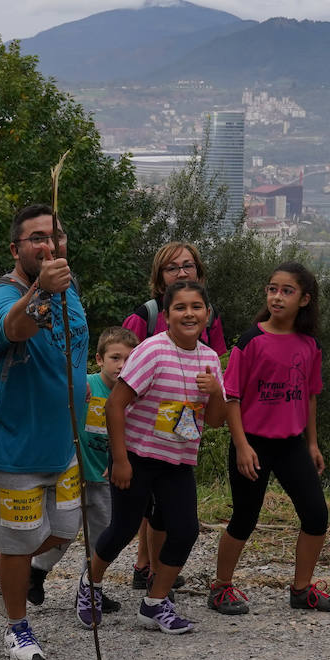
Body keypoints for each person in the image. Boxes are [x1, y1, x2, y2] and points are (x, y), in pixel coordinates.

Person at [0, 203, 89, 660]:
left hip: (61, 445)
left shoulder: (70, 289)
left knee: (64, 530)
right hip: (9, 447)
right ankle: (16, 627)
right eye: (36, 237)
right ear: (17, 249)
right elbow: (13, 329)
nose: (47, 243)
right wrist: (41, 291)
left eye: (54, 235)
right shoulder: (3, 295)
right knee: (18, 542)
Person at [75, 280, 227, 635]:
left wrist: (216, 391)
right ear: (167, 315)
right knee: (123, 529)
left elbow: (217, 420)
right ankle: (91, 584)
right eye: (180, 307)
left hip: (177, 461)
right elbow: (115, 405)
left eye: (196, 307)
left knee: (186, 530)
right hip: (136, 457)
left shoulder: (208, 360)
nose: (189, 313)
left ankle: (155, 603)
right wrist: (121, 459)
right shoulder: (152, 351)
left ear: (207, 314)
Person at [209, 263, 330, 615]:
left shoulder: (309, 345)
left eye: (287, 291)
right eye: (272, 289)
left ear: (304, 299)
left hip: (292, 445)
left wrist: (312, 443)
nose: (277, 297)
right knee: (244, 518)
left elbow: (310, 395)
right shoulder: (250, 341)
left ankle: (302, 590)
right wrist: (241, 446)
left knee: (316, 515)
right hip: (252, 443)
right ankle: (221, 587)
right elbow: (231, 397)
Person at [121, 241, 226, 592]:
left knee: (166, 509)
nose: (181, 272)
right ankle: (144, 565)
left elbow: (215, 364)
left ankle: (151, 570)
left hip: (183, 432)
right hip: (144, 430)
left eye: (188, 266)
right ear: (159, 277)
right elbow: (119, 365)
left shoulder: (210, 319)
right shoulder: (145, 316)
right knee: (145, 507)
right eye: (172, 268)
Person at [27, 326, 138, 612]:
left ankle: (90, 588)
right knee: (61, 533)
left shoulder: (136, 395)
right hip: (73, 474)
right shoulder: (85, 383)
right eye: (115, 358)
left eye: (129, 359)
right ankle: (35, 573)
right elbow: (54, 400)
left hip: (106, 479)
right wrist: (74, 389)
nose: (121, 365)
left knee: (103, 538)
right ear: (99, 360)